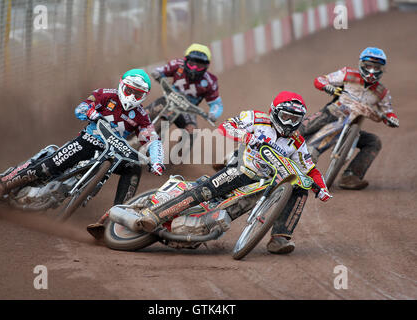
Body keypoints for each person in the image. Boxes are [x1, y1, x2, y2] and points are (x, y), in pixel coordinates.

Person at [135, 91, 332, 254]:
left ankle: (280, 238)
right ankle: (156, 214)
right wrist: (247, 137)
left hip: (264, 183)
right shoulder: (256, 118)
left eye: (295, 119)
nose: (289, 123)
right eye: (286, 117)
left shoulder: (297, 142)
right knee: (207, 190)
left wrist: (322, 188)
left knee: (299, 189)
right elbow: (225, 128)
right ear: (274, 112)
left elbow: (310, 169)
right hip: (243, 166)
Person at [0, 69, 165, 210]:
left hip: (114, 155)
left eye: (138, 94)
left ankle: (118, 215)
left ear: (145, 96)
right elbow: (80, 109)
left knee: (134, 168)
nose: (132, 97)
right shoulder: (105, 95)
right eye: (129, 90)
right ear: (121, 85)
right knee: (51, 165)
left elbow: (152, 139)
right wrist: (91, 112)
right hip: (88, 141)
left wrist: (157, 161)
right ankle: (5, 185)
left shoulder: (141, 115)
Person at [300, 47, 399, 190]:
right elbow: (321, 79)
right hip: (334, 112)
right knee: (301, 129)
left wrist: (391, 118)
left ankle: (351, 176)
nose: (371, 71)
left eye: (376, 67)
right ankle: (276, 154)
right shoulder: (347, 74)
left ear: (382, 69)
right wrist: (326, 86)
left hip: (354, 123)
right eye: (368, 66)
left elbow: (388, 111)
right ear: (361, 65)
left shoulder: (382, 92)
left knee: (374, 142)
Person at [147, 43, 224, 143]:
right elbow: (160, 70)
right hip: (168, 100)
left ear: (206, 65)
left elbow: (216, 104)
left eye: (200, 64)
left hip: (188, 110)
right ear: (185, 60)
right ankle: (123, 134)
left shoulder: (210, 81)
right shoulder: (177, 65)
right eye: (192, 63)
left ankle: (175, 158)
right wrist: (157, 74)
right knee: (144, 114)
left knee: (192, 132)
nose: (195, 68)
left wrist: (213, 114)